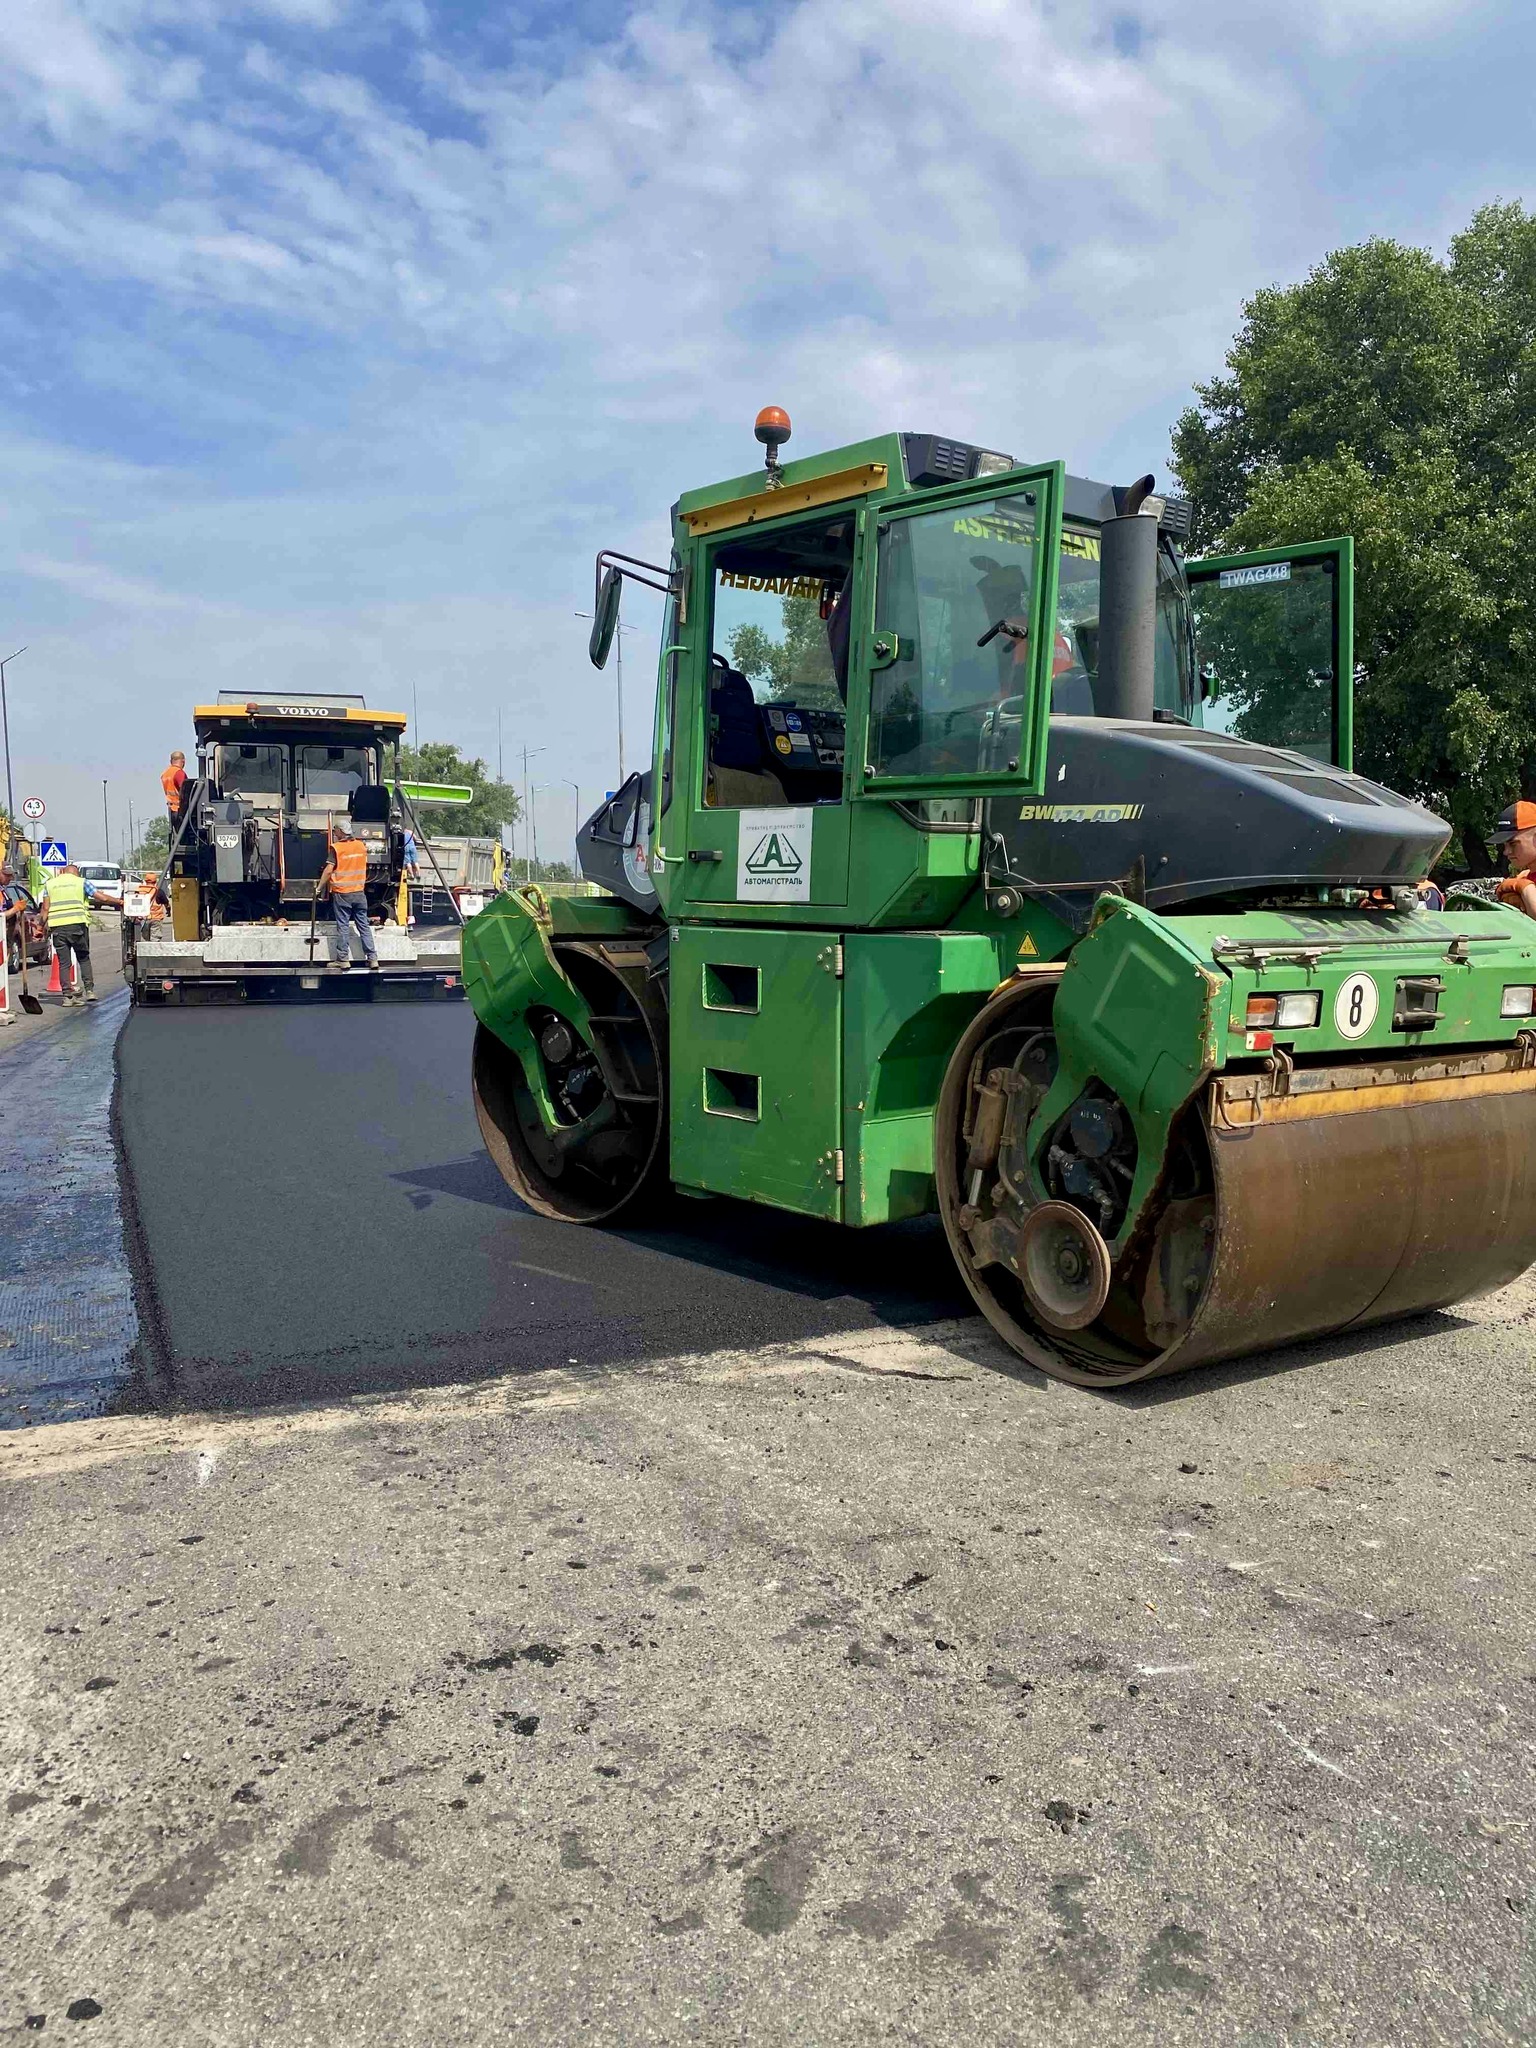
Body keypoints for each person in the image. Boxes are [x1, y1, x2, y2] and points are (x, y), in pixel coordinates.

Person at [319, 822, 379, 973]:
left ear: (340, 831)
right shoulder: (361, 846)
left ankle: (343, 960)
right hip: (359, 893)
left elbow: (328, 870)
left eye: (335, 830)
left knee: (343, 926)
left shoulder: (337, 848)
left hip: (342, 893)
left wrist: (319, 888)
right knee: (363, 925)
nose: (334, 832)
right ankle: (372, 958)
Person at [39, 861, 97, 1006]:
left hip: (58, 928)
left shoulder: (50, 884)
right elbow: (100, 896)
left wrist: (41, 926)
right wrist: (118, 901)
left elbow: (45, 909)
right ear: (76, 873)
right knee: (83, 958)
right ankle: (89, 991)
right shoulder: (81, 882)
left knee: (64, 963)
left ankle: (67, 997)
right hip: (77, 926)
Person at [1493, 802, 1536, 922]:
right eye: (1505, 845)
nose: (1506, 852)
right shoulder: (1526, 876)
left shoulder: (1524, 882)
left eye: (1513, 844)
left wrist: (1524, 888)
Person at [161, 750, 188, 817]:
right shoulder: (179, 773)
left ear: (171, 761)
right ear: (183, 761)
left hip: (171, 809)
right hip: (180, 810)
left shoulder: (166, 774)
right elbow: (185, 791)